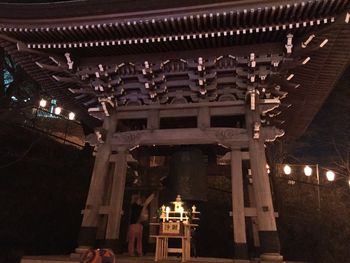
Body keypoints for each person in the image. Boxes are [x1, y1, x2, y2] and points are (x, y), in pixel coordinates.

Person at [128, 192, 155, 257]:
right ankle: (131, 252)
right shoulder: (135, 206)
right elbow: (135, 215)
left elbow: (146, 203)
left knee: (139, 239)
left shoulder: (141, 206)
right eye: (142, 199)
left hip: (139, 224)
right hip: (134, 224)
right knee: (132, 239)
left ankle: (139, 251)